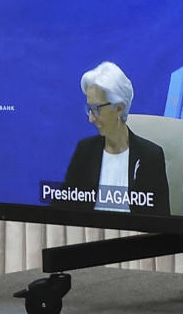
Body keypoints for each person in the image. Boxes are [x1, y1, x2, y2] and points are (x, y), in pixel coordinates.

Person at [59, 61, 170, 215]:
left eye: (96, 109)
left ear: (119, 108)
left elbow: (161, 219)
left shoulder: (151, 157)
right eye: (89, 109)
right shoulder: (84, 151)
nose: (91, 118)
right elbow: (61, 208)